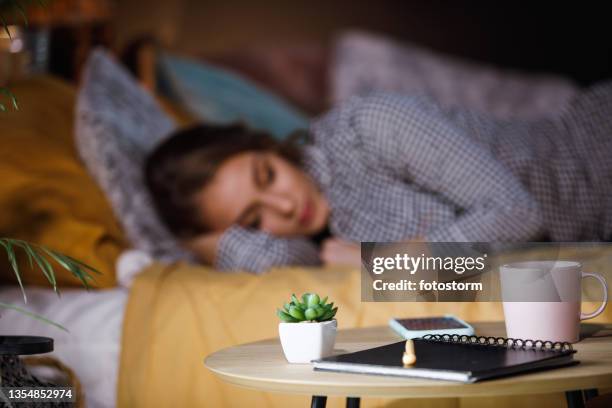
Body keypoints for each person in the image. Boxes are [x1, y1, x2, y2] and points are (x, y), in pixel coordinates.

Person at [145, 84, 612, 273]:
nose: (284, 207)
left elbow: (519, 217)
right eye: (252, 219)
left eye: (267, 176)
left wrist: (382, 266)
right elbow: (471, 274)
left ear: (268, 146)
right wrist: (210, 243)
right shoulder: (323, 249)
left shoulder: (369, 126)